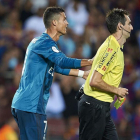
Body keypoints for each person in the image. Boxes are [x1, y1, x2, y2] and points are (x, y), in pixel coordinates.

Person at [11, 7, 93, 140]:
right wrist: (90, 61)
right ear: (54, 22)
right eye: (64, 19)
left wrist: (81, 74)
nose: (67, 23)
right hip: (31, 105)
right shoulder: (45, 43)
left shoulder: (43, 44)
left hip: (28, 104)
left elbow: (57, 67)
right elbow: (63, 61)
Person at [78, 8, 133, 140]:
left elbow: (104, 75)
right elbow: (94, 81)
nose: (131, 27)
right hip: (94, 107)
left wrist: (115, 92)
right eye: (129, 24)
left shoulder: (116, 47)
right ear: (120, 26)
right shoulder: (111, 49)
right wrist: (116, 90)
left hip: (101, 107)